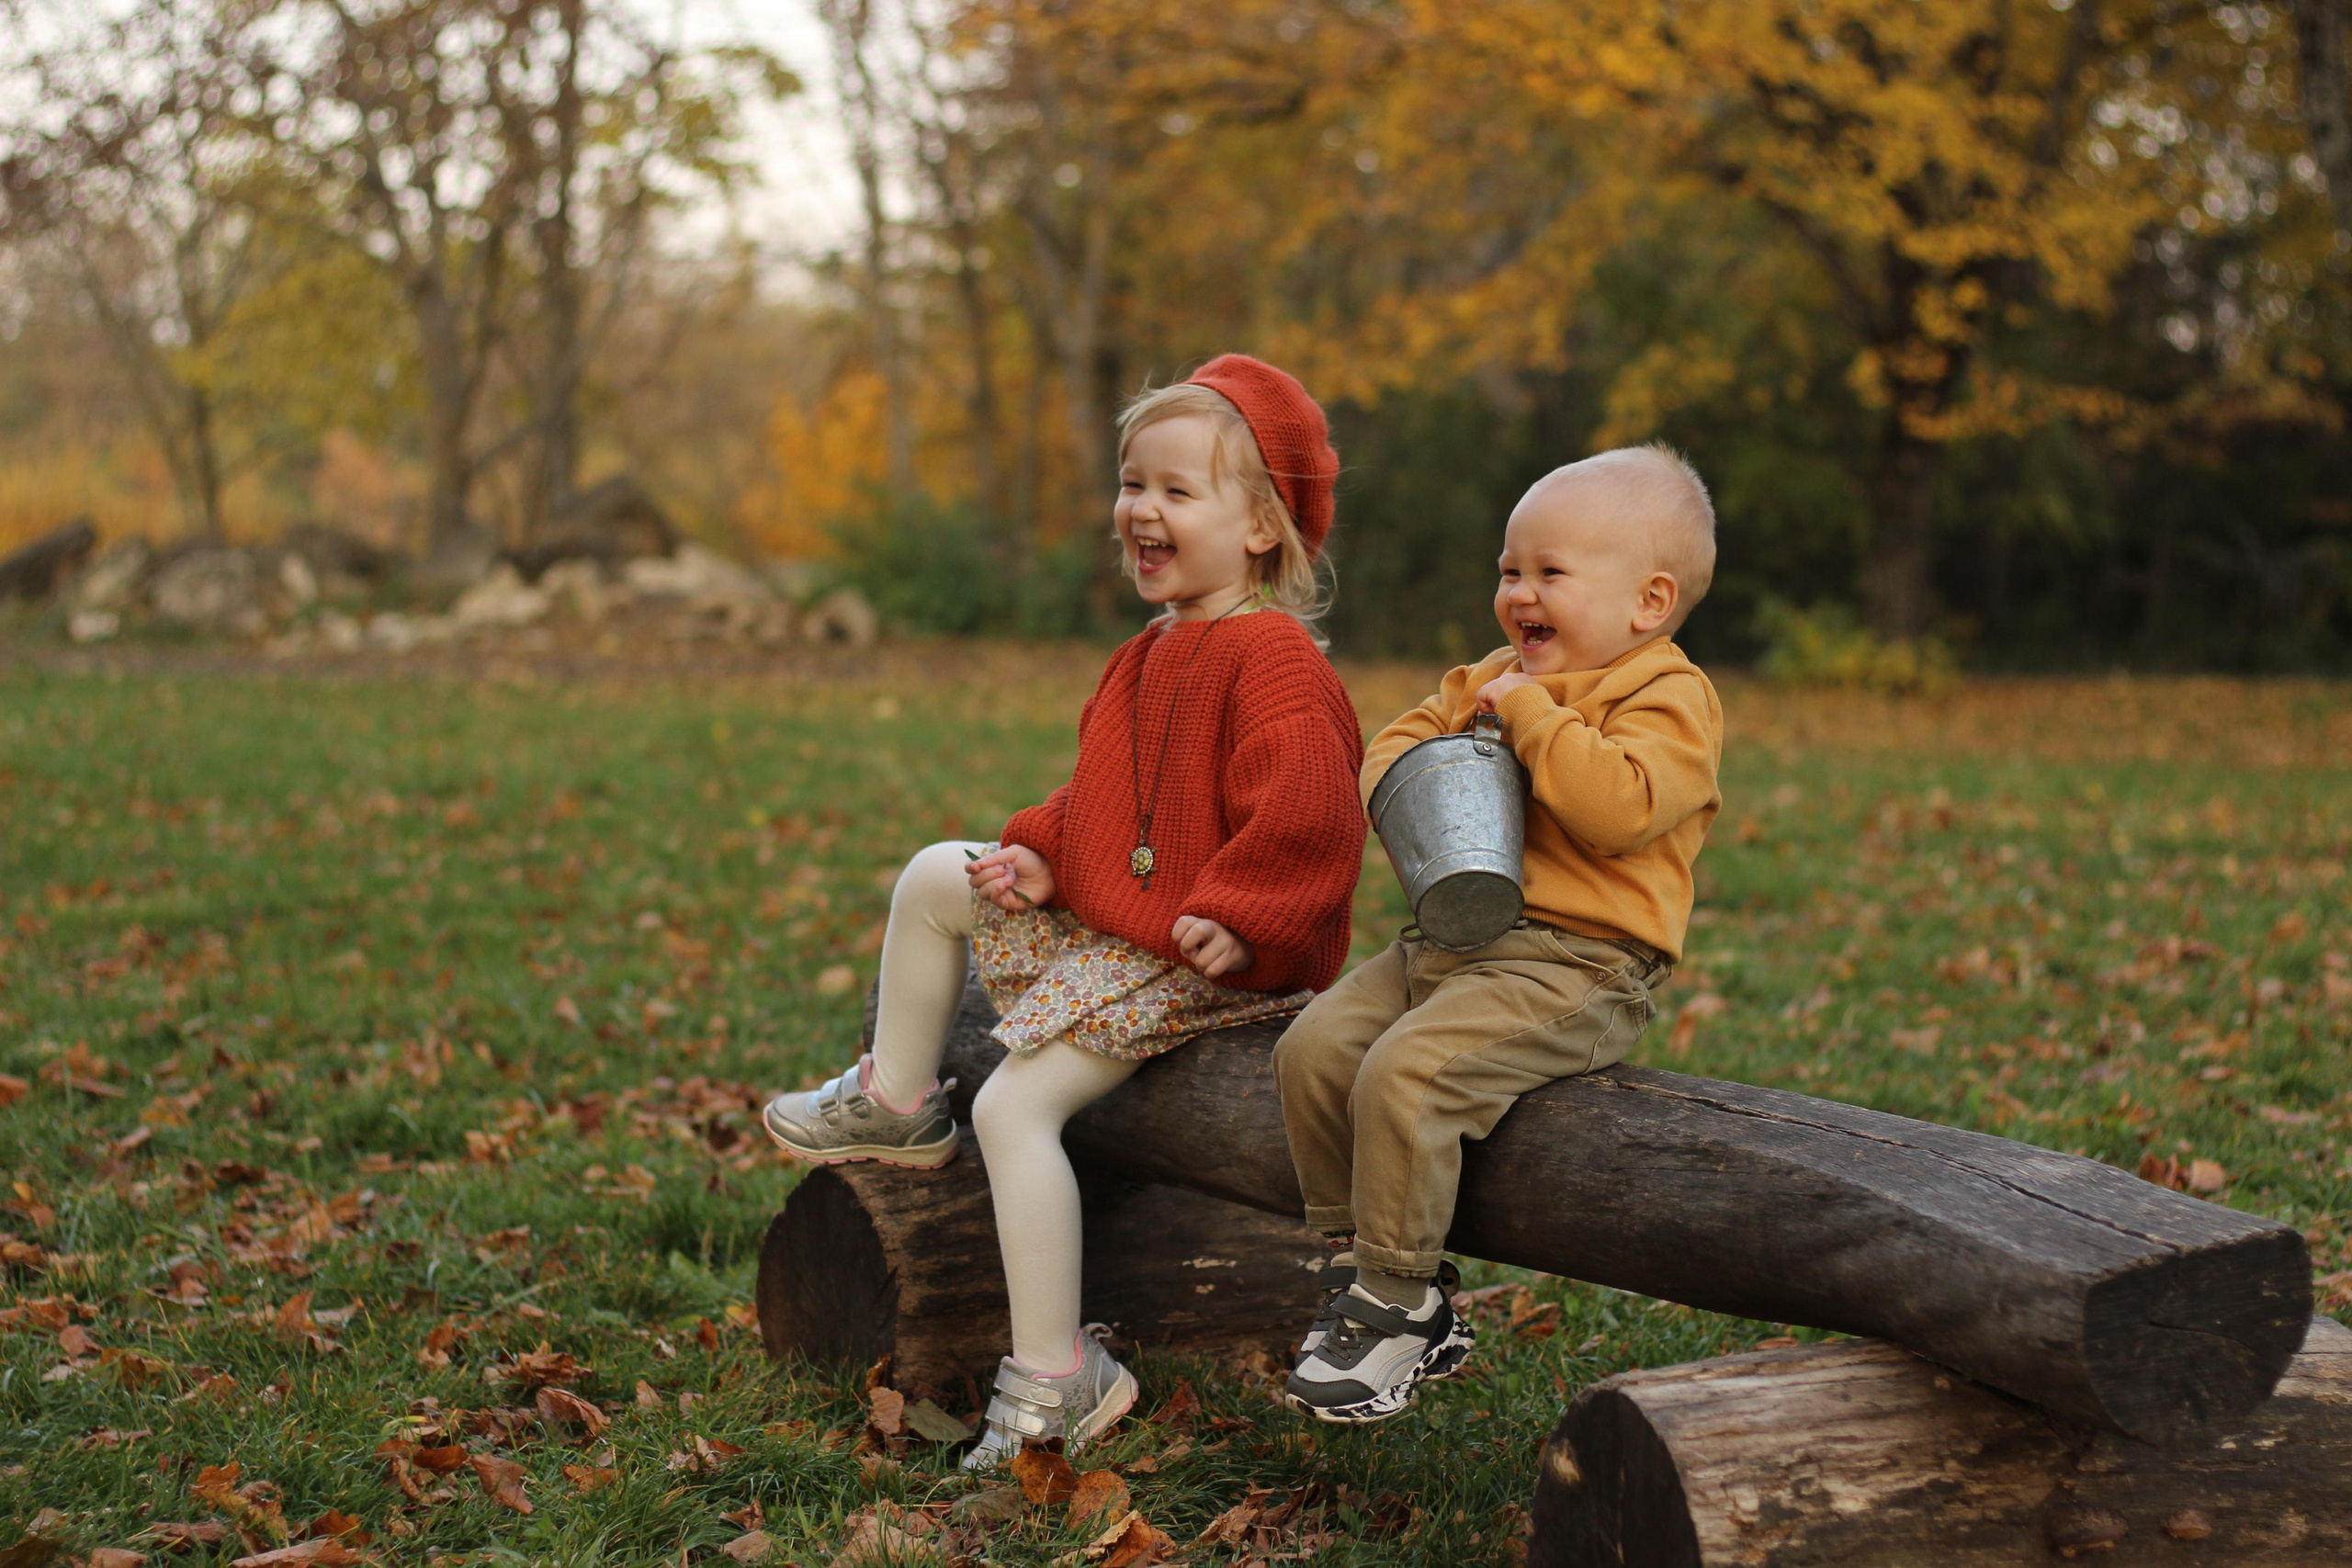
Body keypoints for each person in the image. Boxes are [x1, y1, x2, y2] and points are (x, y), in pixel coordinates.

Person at [763, 355, 1367, 1468]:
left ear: (1263, 530)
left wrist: (1243, 915)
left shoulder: (1274, 661)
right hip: (1133, 927)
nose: (1141, 508)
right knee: (938, 870)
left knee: (1016, 1108)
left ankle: (1057, 1376)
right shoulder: (1148, 653)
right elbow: (1102, 797)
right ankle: (898, 1100)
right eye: (1133, 483)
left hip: (1213, 962)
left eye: (1178, 492)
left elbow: (1314, 818)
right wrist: (1042, 854)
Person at [1273, 444, 1724, 1423]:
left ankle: (1399, 1300)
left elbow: (1620, 809)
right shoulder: (1486, 675)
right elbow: (1393, 747)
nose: (1518, 592)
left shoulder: (1666, 696)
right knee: (1311, 1051)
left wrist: (1527, 718)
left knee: (1410, 1074)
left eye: (1548, 573)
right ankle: (1364, 1268)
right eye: (1507, 571)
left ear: (1647, 603)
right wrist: (1436, 752)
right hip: (1450, 940)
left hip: (1579, 964)